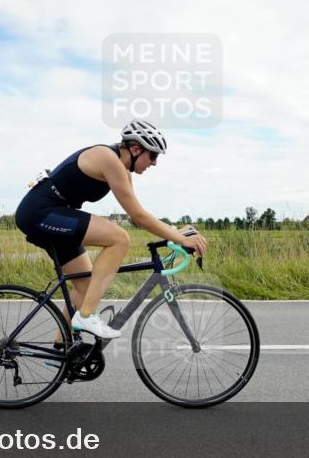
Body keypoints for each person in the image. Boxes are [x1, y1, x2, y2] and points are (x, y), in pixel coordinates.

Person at [15, 119, 207, 341]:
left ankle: (61, 351)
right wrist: (181, 239)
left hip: (56, 214)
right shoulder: (108, 159)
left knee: (86, 287)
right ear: (135, 149)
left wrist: (176, 231)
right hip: (39, 212)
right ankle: (85, 316)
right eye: (152, 155)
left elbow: (138, 213)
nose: (154, 163)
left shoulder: (123, 170)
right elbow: (139, 217)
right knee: (119, 239)